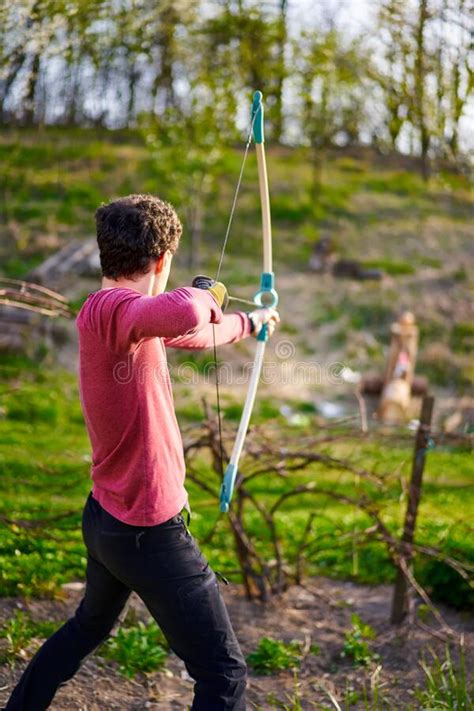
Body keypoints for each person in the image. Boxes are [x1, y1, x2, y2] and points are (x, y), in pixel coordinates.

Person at [3, 194, 279, 711]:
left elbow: (193, 329)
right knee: (224, 675)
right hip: (147, 533)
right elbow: (187, 310)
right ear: (161, 260)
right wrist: (209, 289)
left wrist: (251, 324)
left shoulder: (127, 320)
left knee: (88, 626)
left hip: (108, 517)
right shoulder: (109, 311)